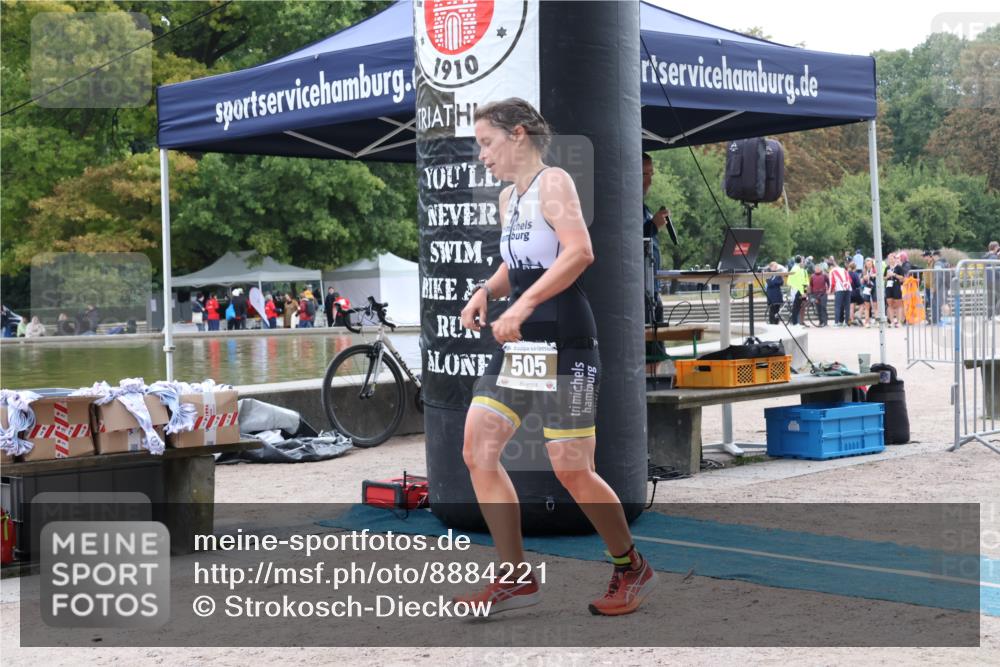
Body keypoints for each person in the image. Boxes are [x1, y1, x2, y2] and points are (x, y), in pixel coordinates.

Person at [455, 98, 657, 617]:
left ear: (518, 134)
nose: (482, 155)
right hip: (524, 345)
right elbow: (519, 264)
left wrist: (522, 305)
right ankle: (515, 576)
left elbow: (578, 252)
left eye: (487, 143)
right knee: (478, 449)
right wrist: (486, 291)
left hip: (565, 340)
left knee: (572, 468)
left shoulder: (555, 182)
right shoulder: (509, 198)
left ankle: (630, 565)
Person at [884, 253, 906, 327]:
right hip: (889, 286)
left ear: (895, 259)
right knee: (890, 304)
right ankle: (892, 322)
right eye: (889, 259)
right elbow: (884, 277)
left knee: (898, 304)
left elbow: (902, 277)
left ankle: (899, 322)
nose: (890, 260)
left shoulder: (899, 267)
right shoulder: (887, 268)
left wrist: (894, 275)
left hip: (896, 286)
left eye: (892, 259)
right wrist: (887, 276)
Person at [828, 259, 852, 327]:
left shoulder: (832, 271)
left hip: (839, 289)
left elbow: (832, 283)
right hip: (848, 288)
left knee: (837, 306)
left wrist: (830, 291)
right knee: (847, 307)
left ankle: (836, 323)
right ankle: (847, 323)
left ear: (830, 267)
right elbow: (850, 280)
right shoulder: (844, 270)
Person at [786, 256, 809, 326]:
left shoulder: (802, 270)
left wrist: (805, 291)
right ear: (800, 262)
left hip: (801, 290)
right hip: (798, 290)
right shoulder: (797, 269)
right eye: (803, 261)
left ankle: (800, 321)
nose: (804, 263)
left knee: (801, 306)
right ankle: (796, 322)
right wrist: (803, 292)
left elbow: (806, 282)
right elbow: (800, 282)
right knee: (797, 306)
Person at [860, 258, 878, 328]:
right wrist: (863, 278)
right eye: (867, 264)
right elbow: (861, 281)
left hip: (874, 288)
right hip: (866, 288)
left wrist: (874, 275)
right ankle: (867, 321)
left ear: (872, 264)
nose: (868, 265)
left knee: (875, 305)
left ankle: (877, 321)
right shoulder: (864, 271)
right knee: (867, 306)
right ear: (865, 264)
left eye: (870, 263)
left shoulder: (875, 270)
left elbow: (879, 276)